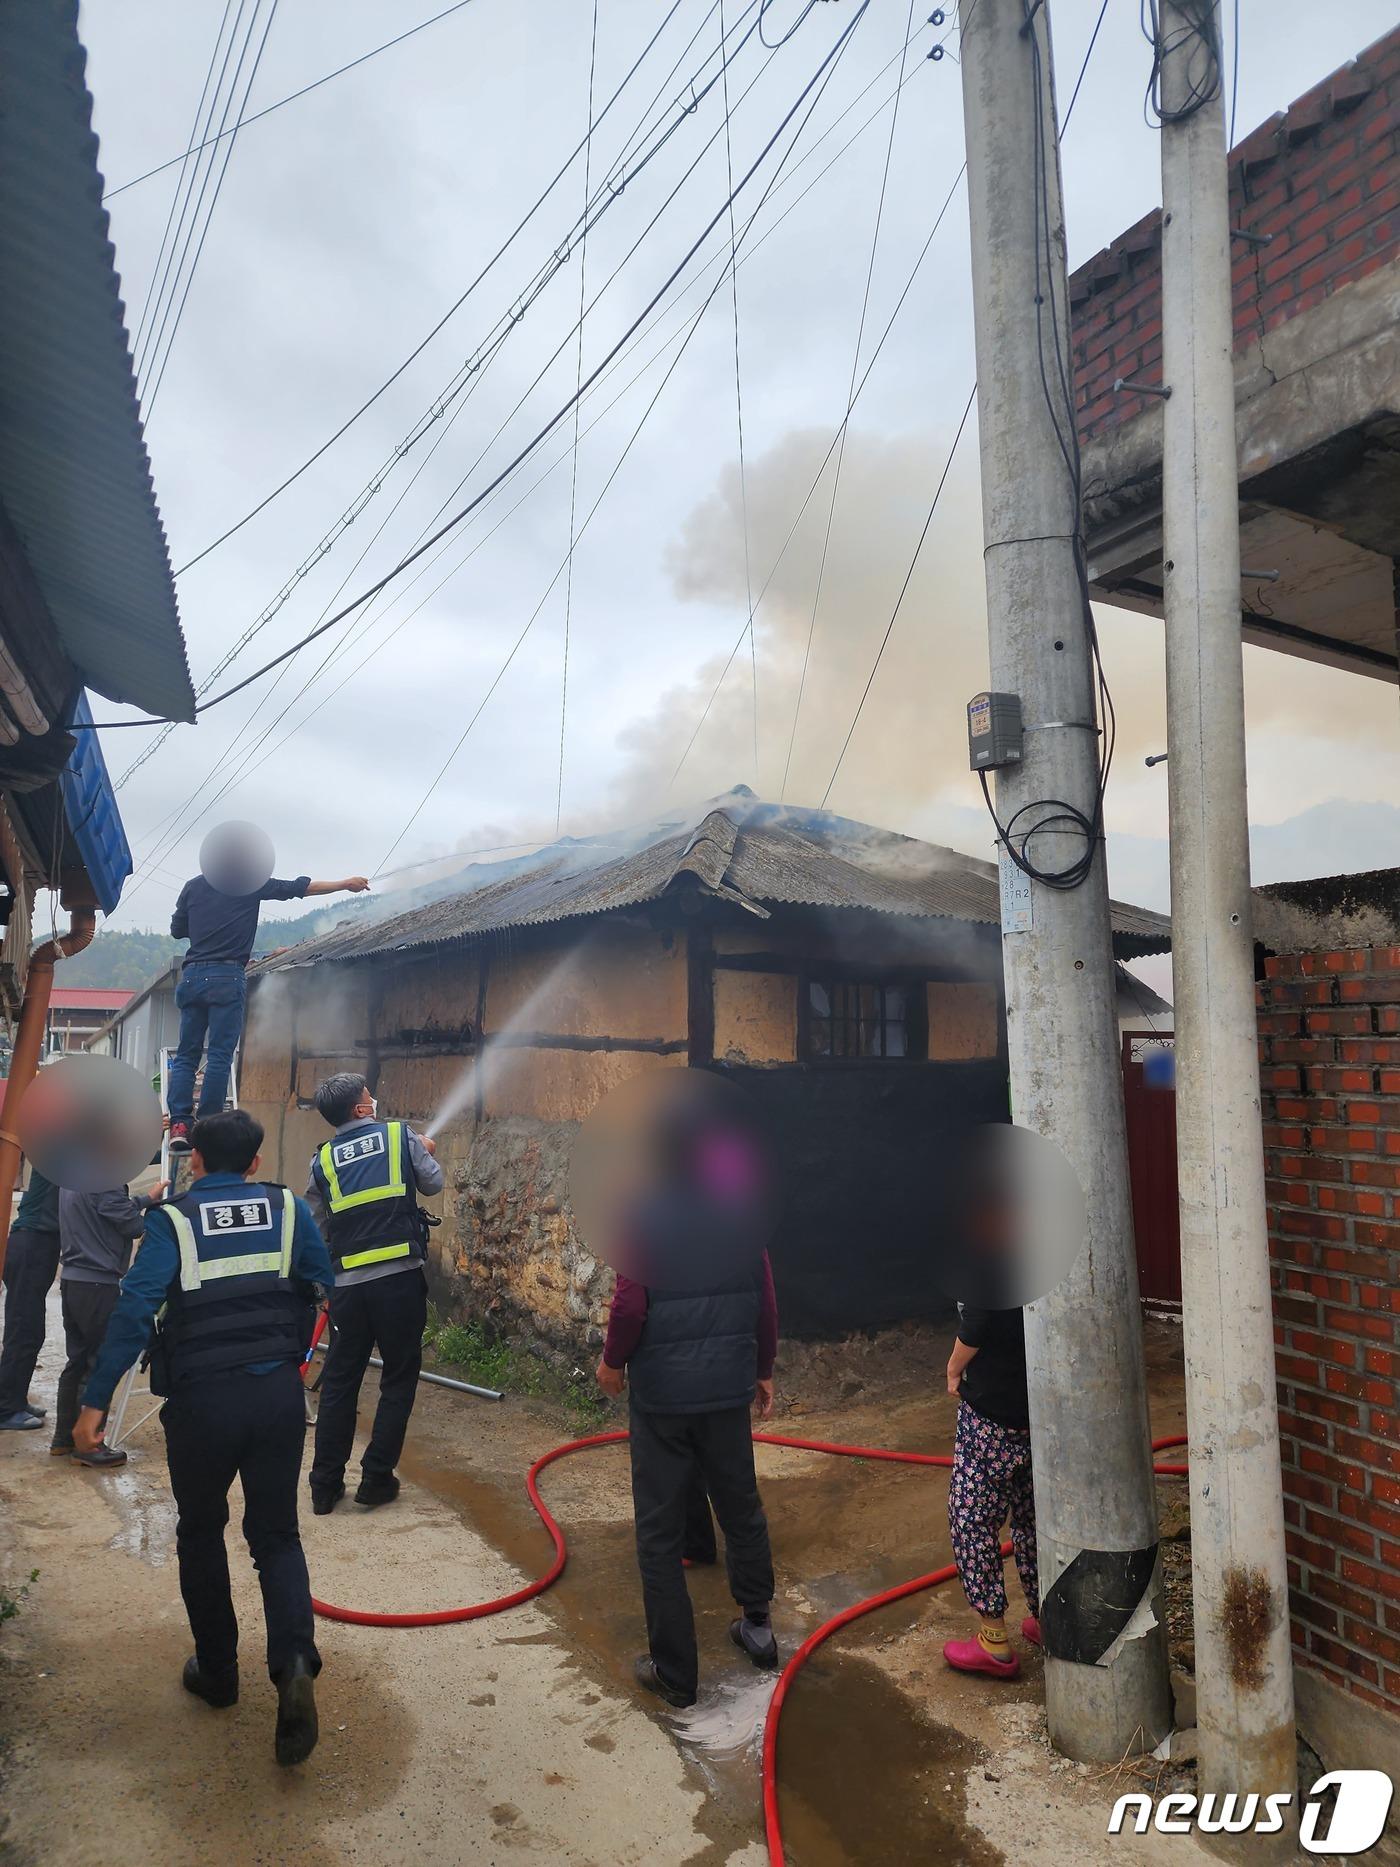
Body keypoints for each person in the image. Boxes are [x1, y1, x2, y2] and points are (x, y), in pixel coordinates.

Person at [73, 1109, 332, 1768]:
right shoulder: (287, 1209)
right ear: (254, 1161)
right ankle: (295, 1660)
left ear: (195, 1161)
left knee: (200, 1529)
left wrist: (96, 1401)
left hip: (202, 1403)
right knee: (276, 1534)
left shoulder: (174, 1220)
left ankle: (218, 1672)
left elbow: (135, 1309)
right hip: (276, 1396)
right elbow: (322, 1282)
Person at [597, 1250, 780, 1711]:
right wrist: (763, 1368)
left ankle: (675, 1674)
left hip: (663, 1396)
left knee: (658, 1534)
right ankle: (757, 1628)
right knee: (739, 1503)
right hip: (726, 1390)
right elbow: (766, 1301)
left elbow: (630, 1307)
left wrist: (612, 1362)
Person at [305, 1072, 442, 1515]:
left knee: (341, 1381)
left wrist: (324, 1288)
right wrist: (425, 1151)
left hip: (347, 1289)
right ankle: (376, 1478)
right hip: (399, 1281)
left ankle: (324, 1487)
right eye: (368, 1096)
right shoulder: (401, 1137)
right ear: (362, 1108)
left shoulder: (321, 1161)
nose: (373, 1100)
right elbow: (433, 1183)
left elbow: (316, 1228)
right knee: (398, 1377)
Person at [166, 867, 369, 1151]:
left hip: (193, 977)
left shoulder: (192, 886)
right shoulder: (248, 882)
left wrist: (206, 922)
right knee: (220, 1055)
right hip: (227, 977)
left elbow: (177, 930)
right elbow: (299, 888)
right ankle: (207, 1123)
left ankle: (179, 1124)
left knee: (187, 1055)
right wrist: (344, 884)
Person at [942, 1302, 1041, 1679]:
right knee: (1034, 1519)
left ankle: (993, 1640)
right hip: (1042, 1408)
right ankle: (1050, 1620)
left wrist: (954, 1369)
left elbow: (979, 1318)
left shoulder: (987, 1246)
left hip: (992, 1414)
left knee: (971, 1516)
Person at [52, 1180, 167, 1465]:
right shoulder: (106, 1181)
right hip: (98, 1284)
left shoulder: (72, 1175)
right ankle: (89, 1445)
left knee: (76, 1362)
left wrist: (143, 1199)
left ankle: (63, 1439)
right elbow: (133, 1227)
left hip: (74, 1281)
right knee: (97, 1363)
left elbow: (107, 1208)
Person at [0, 1164, 61, 1430]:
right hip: (31, 1244)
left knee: (30, 1331)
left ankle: (14, 1398)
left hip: (38, 1245)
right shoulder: (57, 1153)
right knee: (23, 1329)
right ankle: (5, 1409)